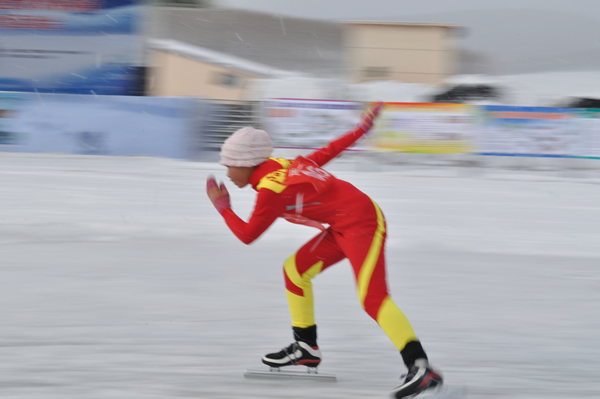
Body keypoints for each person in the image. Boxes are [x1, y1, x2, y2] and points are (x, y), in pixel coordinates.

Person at [206, 102, 443, 399]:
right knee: (295, 271)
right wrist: (361, 129)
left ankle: (421, 368)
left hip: (363, 222)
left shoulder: (270, 190)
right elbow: (327, 152)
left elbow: (247, 235)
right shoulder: (281, 166)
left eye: (229, 163)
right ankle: (306, 347)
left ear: (246, 162)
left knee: (372, 298)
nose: (226, 171)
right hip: (340, 227)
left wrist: (223, 208)